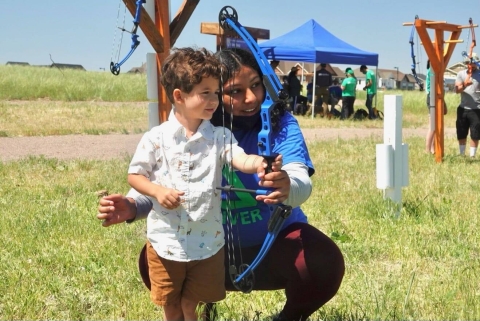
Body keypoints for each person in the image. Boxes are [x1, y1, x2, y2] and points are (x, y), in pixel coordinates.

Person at [97, 48, 345, 321]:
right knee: (153, 258)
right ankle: (198, 307)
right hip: (205, 249)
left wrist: (288, 186)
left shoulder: (281, 123)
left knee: (322, 261)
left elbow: (299, 180)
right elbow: (162, 183)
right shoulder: (194, 128)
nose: (250, 98)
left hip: (272, 249)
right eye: (234, 91)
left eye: (255, 86)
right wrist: (133, 205)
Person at [125, 47, 282, 321]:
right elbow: (135, 175)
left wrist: (258, 163)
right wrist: (157, 192)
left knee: (192, 304)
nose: (214, 100)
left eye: (216, 93)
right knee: (171, 305)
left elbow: (240, 159)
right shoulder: (156, 138)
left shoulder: (220, 135)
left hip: (208, 243)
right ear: (179, 96)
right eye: (205, 93)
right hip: (166, 242)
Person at [455, 56, 480, 157]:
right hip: (463, 108)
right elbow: (457, 90)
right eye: (469, 63)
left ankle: (472, 156)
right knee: (461, 132)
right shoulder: (461, 74)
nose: (471, 66)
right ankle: (462, 155)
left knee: (475, 133)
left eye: (473, 63)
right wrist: (465, 84)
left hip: (477, 109)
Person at [425, 59, 447, 154]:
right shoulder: (432, 70)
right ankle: (427, 150)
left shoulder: (435, 71)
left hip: (438, 97)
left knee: (436, 126)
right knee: (432, 126)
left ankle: (434, 148)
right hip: (432, 97)